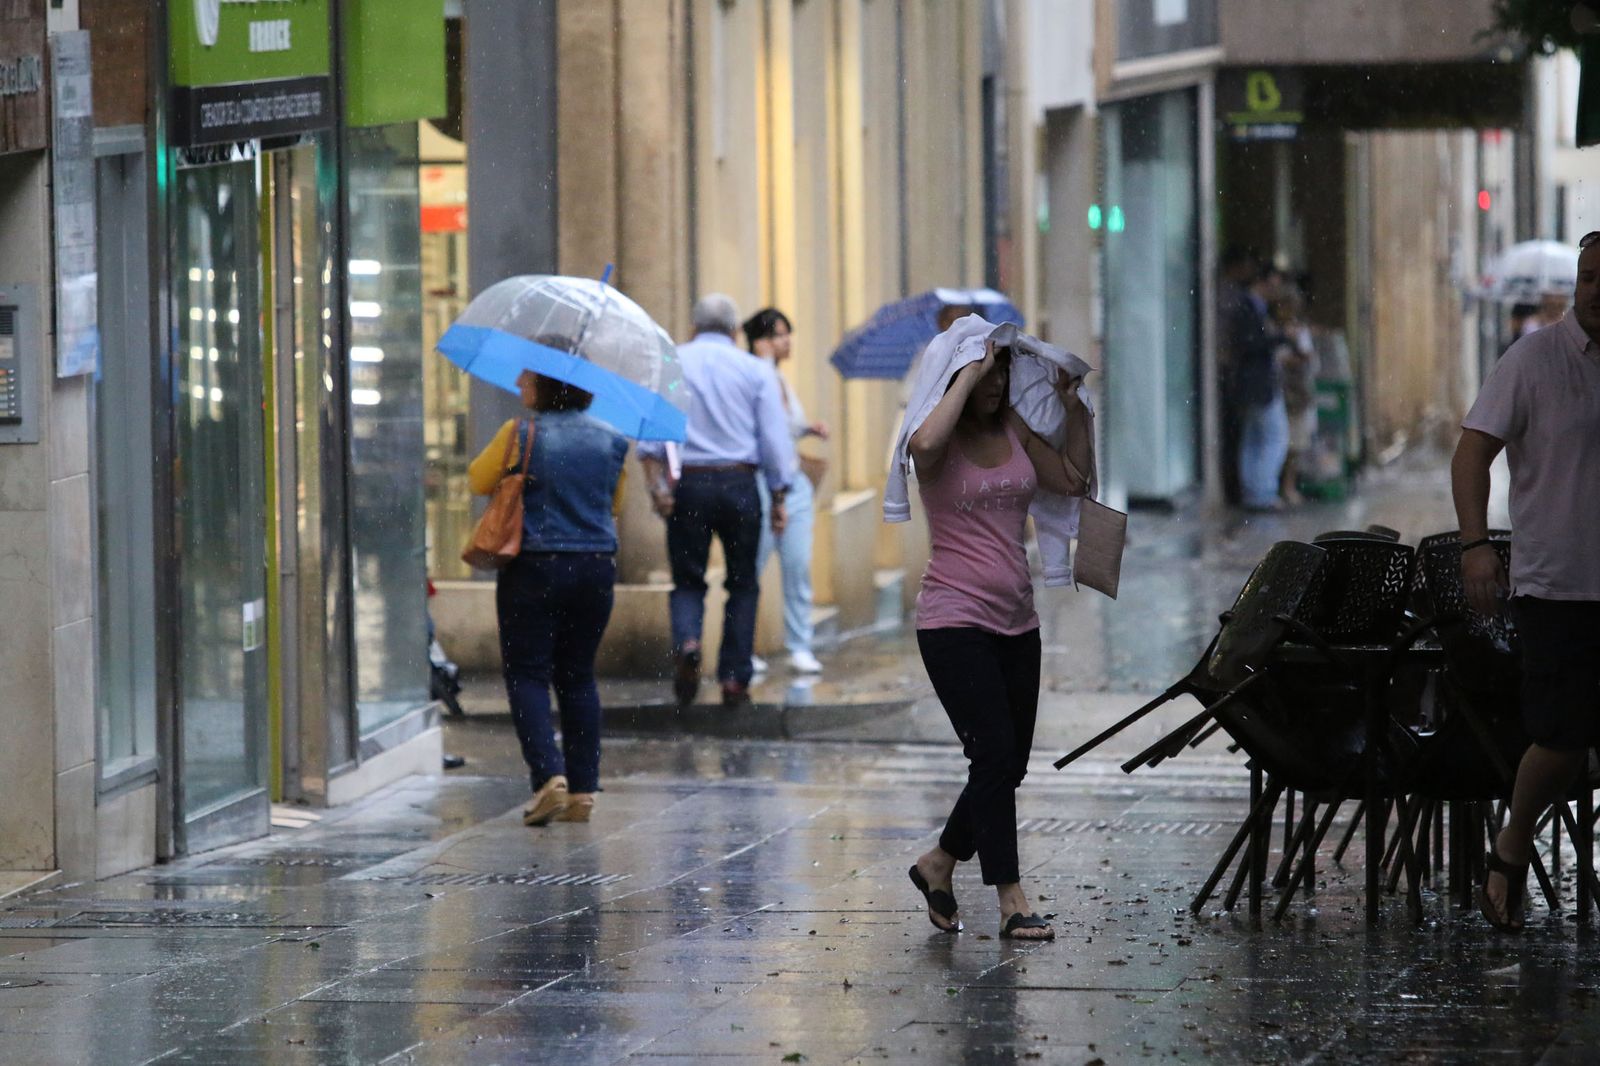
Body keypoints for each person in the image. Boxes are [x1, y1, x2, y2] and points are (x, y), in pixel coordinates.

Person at [903, 328, 1092, 942]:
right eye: (987, 376)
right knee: (991, 755)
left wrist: (1071, 409)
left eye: (1003, 374)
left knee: (1006, 765)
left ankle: (938, 865)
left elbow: (1071, 479)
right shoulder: (940, 441)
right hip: (953, 620)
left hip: (1018, 619)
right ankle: (1012, 901)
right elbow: (923, 441)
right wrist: (965, 371)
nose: (996, 386)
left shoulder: (1013, 429)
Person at [1456, 231, 1600, 933]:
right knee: (1563, 734)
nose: (1598, 290)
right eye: (1591, 277)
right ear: (1576, 284)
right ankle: (1513, 842)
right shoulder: (1535, 360)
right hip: (1560, 583)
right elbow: (1472, 454)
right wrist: (1476, 544)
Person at [470, 369, 629, 827]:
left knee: (527, 672)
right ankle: (582, 789)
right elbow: (613, 504)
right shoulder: (613, 439)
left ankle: (548, 778)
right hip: (595, 566)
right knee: (578, 675)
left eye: (526, 376)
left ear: (547, 381)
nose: (518, 383)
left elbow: (478, 480)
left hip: (534, 564)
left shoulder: (520, 433)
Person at [639, 294, 797, 709]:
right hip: (740, 484)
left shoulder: (673, 363)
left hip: (688, 485)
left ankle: (689, 642)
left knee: (688, 580)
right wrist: (780, 494)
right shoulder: (754, 371)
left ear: (693, 327)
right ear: (735, 332)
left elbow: (651, 438)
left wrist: (658, 491)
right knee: (742, 583)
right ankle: (733, 678)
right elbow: (775, 443)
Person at [745, 307, 826, 675]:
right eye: (779, 335)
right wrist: (760, 359)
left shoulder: (780, 379)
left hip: (793, 483)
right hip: (760, 482)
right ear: (761, 340)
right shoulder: (754, 376)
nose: (787, 341)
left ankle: (800, 645)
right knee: (750, 567)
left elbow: (783, 427)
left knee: (797, 565)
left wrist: (807, 429)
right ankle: (742, 647)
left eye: (787, 334)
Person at [1232, 264, 1289, 512]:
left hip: (1253, 383)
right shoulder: (1249, 308)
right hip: (1258, 384)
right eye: (1273, 285)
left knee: (1254, 439)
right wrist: (1279, 338)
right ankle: (1262, 491)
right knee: (1274, 437)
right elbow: (1250, 343)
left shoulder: (1254, 307)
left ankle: (1254, 491)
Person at [1271, 291, 1318, 507]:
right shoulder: (1275, 329)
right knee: (1281, 443)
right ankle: (1280, 487)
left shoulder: (1298, 329)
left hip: (1297, 394)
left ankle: (1287, 486)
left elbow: (1308, 358)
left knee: (1295, 444)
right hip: (1283, 393)